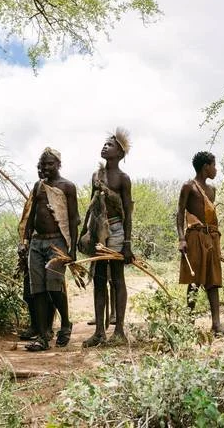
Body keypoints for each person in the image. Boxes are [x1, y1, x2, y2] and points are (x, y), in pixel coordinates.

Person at [20, 147, 79, 352]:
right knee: (39, 291)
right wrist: (25, 240)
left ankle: (65, 324)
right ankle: (43, 337)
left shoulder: (67, 187)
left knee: (54, 287)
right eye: (43, 164)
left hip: (57, 242)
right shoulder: (38, 186)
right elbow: (31, 216)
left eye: (50, 164)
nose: (46, 167)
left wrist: (72, 249)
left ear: (59, 165)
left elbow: (73, 219)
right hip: (37, 243)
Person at [81, 128, 133, 347]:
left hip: (117, 230)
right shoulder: (96, 176)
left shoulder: (123, 178)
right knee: (100, 279)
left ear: (120, 154)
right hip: (98, 231)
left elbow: (128, 212)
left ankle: (119, 330)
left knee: (117, 278)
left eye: (110, 145)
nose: (105, 147)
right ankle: (100, 332)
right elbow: (92, 205)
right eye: (105, 144)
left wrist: (128, 244)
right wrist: (84, 232)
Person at [176, 150, 224, 335]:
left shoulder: (212, 190)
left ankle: (216, 325)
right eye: (214, 165)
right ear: (206, 167)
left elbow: (211, 218)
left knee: (213, 281)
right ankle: (188, 322)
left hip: (210, 237)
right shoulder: (189, 186)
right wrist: (181, 239)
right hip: (194, 237)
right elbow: (180, 213)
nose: (216, 169)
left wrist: (216, 241)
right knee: (194, 280)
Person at [18, 162, 55, 341]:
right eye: (38, 168)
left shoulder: (56, 191)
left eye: (44, 167)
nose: (41, 171)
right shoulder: (36, 191)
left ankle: (47, 328)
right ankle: (35, 326)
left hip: (51, 246)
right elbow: (27, 222)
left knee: (50, 290)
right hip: (32, 246)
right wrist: (23, 243)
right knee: (31, 290)